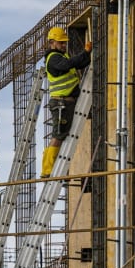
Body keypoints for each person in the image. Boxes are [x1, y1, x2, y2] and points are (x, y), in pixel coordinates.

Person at [40, 26, 92, 178]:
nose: (64, 45)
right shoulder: (54, 58)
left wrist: (86, 55)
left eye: (64, 43)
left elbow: (77, 63)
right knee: (58, 135)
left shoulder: (62, 57)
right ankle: (47, 169)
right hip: (61, 103)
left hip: (68, 102)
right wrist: (85, 53)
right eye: (61, 43)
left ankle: (50, 167)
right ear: (52, 42)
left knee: (61, 134)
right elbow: (68, 65)